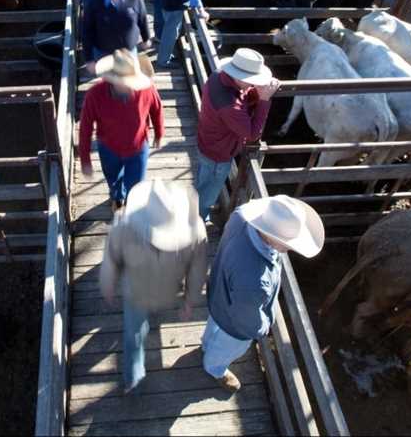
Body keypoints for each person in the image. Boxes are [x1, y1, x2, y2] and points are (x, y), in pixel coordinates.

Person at [203, 195, 325, 391]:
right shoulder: (256, 281)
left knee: (214, 324)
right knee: (226, 347)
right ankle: (214, 368)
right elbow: (245, 320)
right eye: (288, 243)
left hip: (219, 292)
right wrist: (262, 327)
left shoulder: (240, 216)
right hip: (235, 321)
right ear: (272, 236)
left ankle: (206, 344)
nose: (289, 248)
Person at [100, 179, 207, 392]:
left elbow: (197, 269)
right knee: (134, 335)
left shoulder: (196, 233)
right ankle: (134, 375)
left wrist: (190, 299)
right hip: (136, 294)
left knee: (136, 329)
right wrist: (107, 283)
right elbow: (111, 258)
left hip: (165, 292)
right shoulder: (123, 225)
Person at [195, 48, 280, 222]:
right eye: (251, 82)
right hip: (218, 155)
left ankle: (196, 209)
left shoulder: (216, 77)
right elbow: (251, 134)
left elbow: (240, 96)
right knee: (209, 193)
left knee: (202, 181)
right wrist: (264, 100)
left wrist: (254, 91)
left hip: (207, 142)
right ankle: (198, 218)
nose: (253, 85)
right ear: (240, 77)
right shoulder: (230, 106)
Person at [79, 50, 163, 212]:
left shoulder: (147, 89)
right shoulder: (94, 95)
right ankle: (117, 198)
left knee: (136, 184)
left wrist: (159, 133)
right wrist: (85, 159)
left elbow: (157, 109)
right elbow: (85, 127)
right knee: (113, 179)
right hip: (109, 148)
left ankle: (132, 205)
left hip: (138, 148)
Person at [82, 0, 150, 68]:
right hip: (103, 54)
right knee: (106, 82)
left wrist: (146, 38)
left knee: (129, 82)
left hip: (129, 53)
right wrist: (89, 59)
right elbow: (87, 30)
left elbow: (143, 19)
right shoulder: (95, 0)